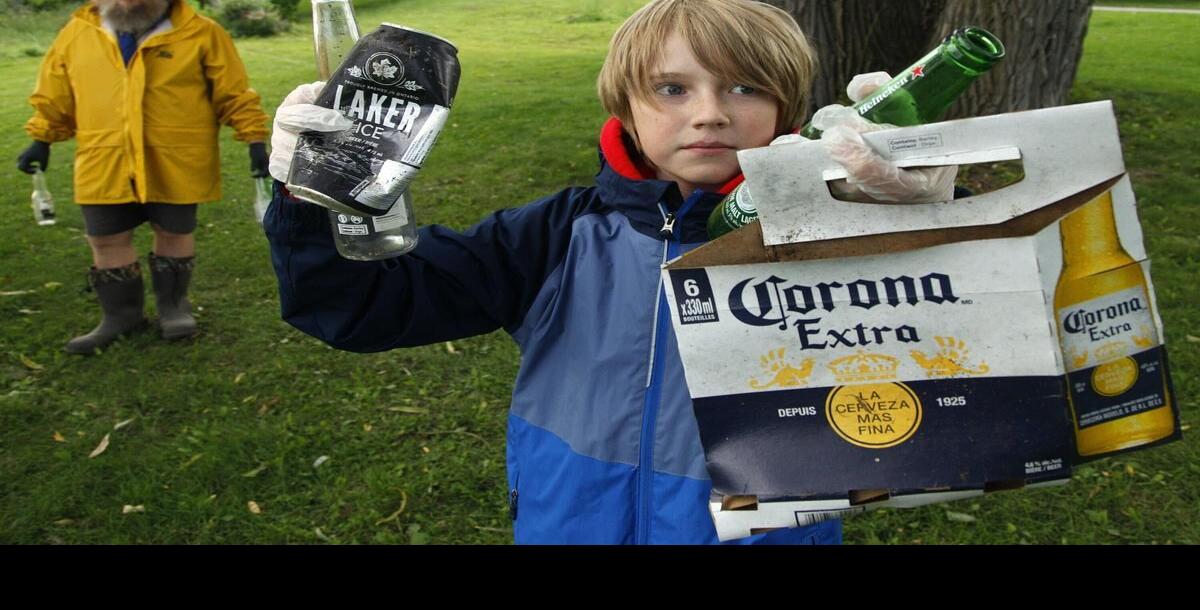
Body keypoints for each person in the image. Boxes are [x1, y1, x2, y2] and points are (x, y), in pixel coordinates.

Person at [264, 0, 956, 544]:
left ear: (788, 109)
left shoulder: (822, 230)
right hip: (570, 523)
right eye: (672, 88)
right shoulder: (555, 236)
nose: (710, 114)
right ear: (624, 104)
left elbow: (952, 340)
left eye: (745, 87)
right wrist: (315, 200)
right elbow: (366, 306)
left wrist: (922, 221)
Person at [17, 0, 270, 354]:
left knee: (173, 232)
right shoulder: (77, 33)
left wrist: (254, 139)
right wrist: (40, 139)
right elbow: (56, 92)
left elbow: (234, 92)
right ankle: (121, 316)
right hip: (104, 157)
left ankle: (174, 308)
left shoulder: (201, 32)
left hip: (175, 157)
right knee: (106, 238)